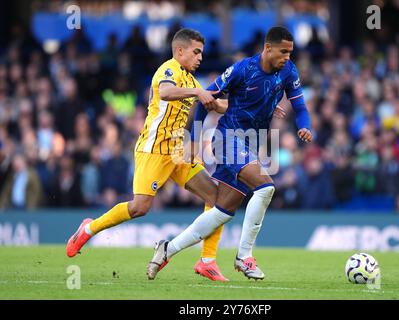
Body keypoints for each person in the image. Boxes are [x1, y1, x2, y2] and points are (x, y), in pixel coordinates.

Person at [147, 26, 312, 281]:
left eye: (290, 52)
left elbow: (300, 106)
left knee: (221, 211)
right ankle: (244, 256)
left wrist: (304, 126)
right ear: (268, 48)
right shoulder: (242, 70)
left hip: (251, 145)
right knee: (266, 187)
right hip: (227, 140)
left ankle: (167, 249)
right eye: (283, 52)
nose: (287, 57)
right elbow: (206, 99)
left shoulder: (288, 71)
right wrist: (195, 138)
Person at [66, 28, 232, 281]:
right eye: (196, 52)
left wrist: (251, 104)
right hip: (153, 149)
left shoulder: (191, 81)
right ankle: (88, 229)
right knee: (139, 207)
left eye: (202, 53)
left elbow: (216, 103)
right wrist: (199, 93)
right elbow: (165, 92)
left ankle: (207, 261)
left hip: (177, 151)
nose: (200, 58)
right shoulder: (168, 70)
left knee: (217, 197)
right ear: (180, 51)